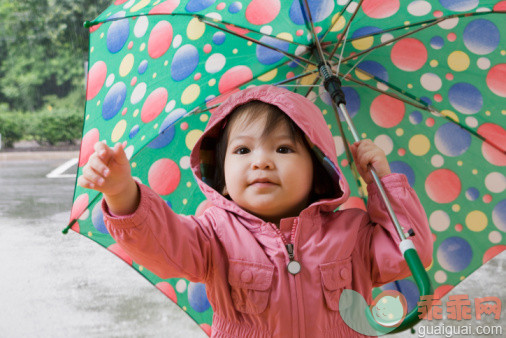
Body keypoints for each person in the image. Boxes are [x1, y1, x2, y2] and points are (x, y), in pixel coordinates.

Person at [78, 85, 433, 337]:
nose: (261, 161)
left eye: (282, 149)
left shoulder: (352, 230)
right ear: (223, 176)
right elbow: (163, 246)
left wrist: (383, 183)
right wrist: (122, 192)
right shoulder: (213, 233)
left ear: (318, 170)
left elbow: (407, 255)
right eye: (243, 151)